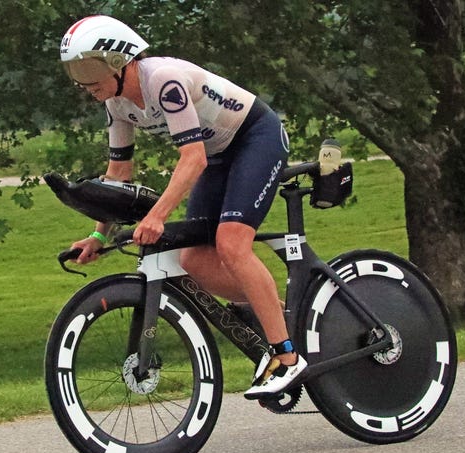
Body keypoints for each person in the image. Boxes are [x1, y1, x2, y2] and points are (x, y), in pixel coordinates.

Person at [60, 15, 307, 398]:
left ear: (118, 60)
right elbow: (118, 173)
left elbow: (192, 159)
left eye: (89, 71)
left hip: (255, 139)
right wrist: (97, 234)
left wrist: (158, 215)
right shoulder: (117, 103)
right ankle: (278, 315)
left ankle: (286, 357)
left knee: (231, 244)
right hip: (219, 155)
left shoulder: (162, 79)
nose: (83, 83)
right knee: (195, 260)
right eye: (75, 73)